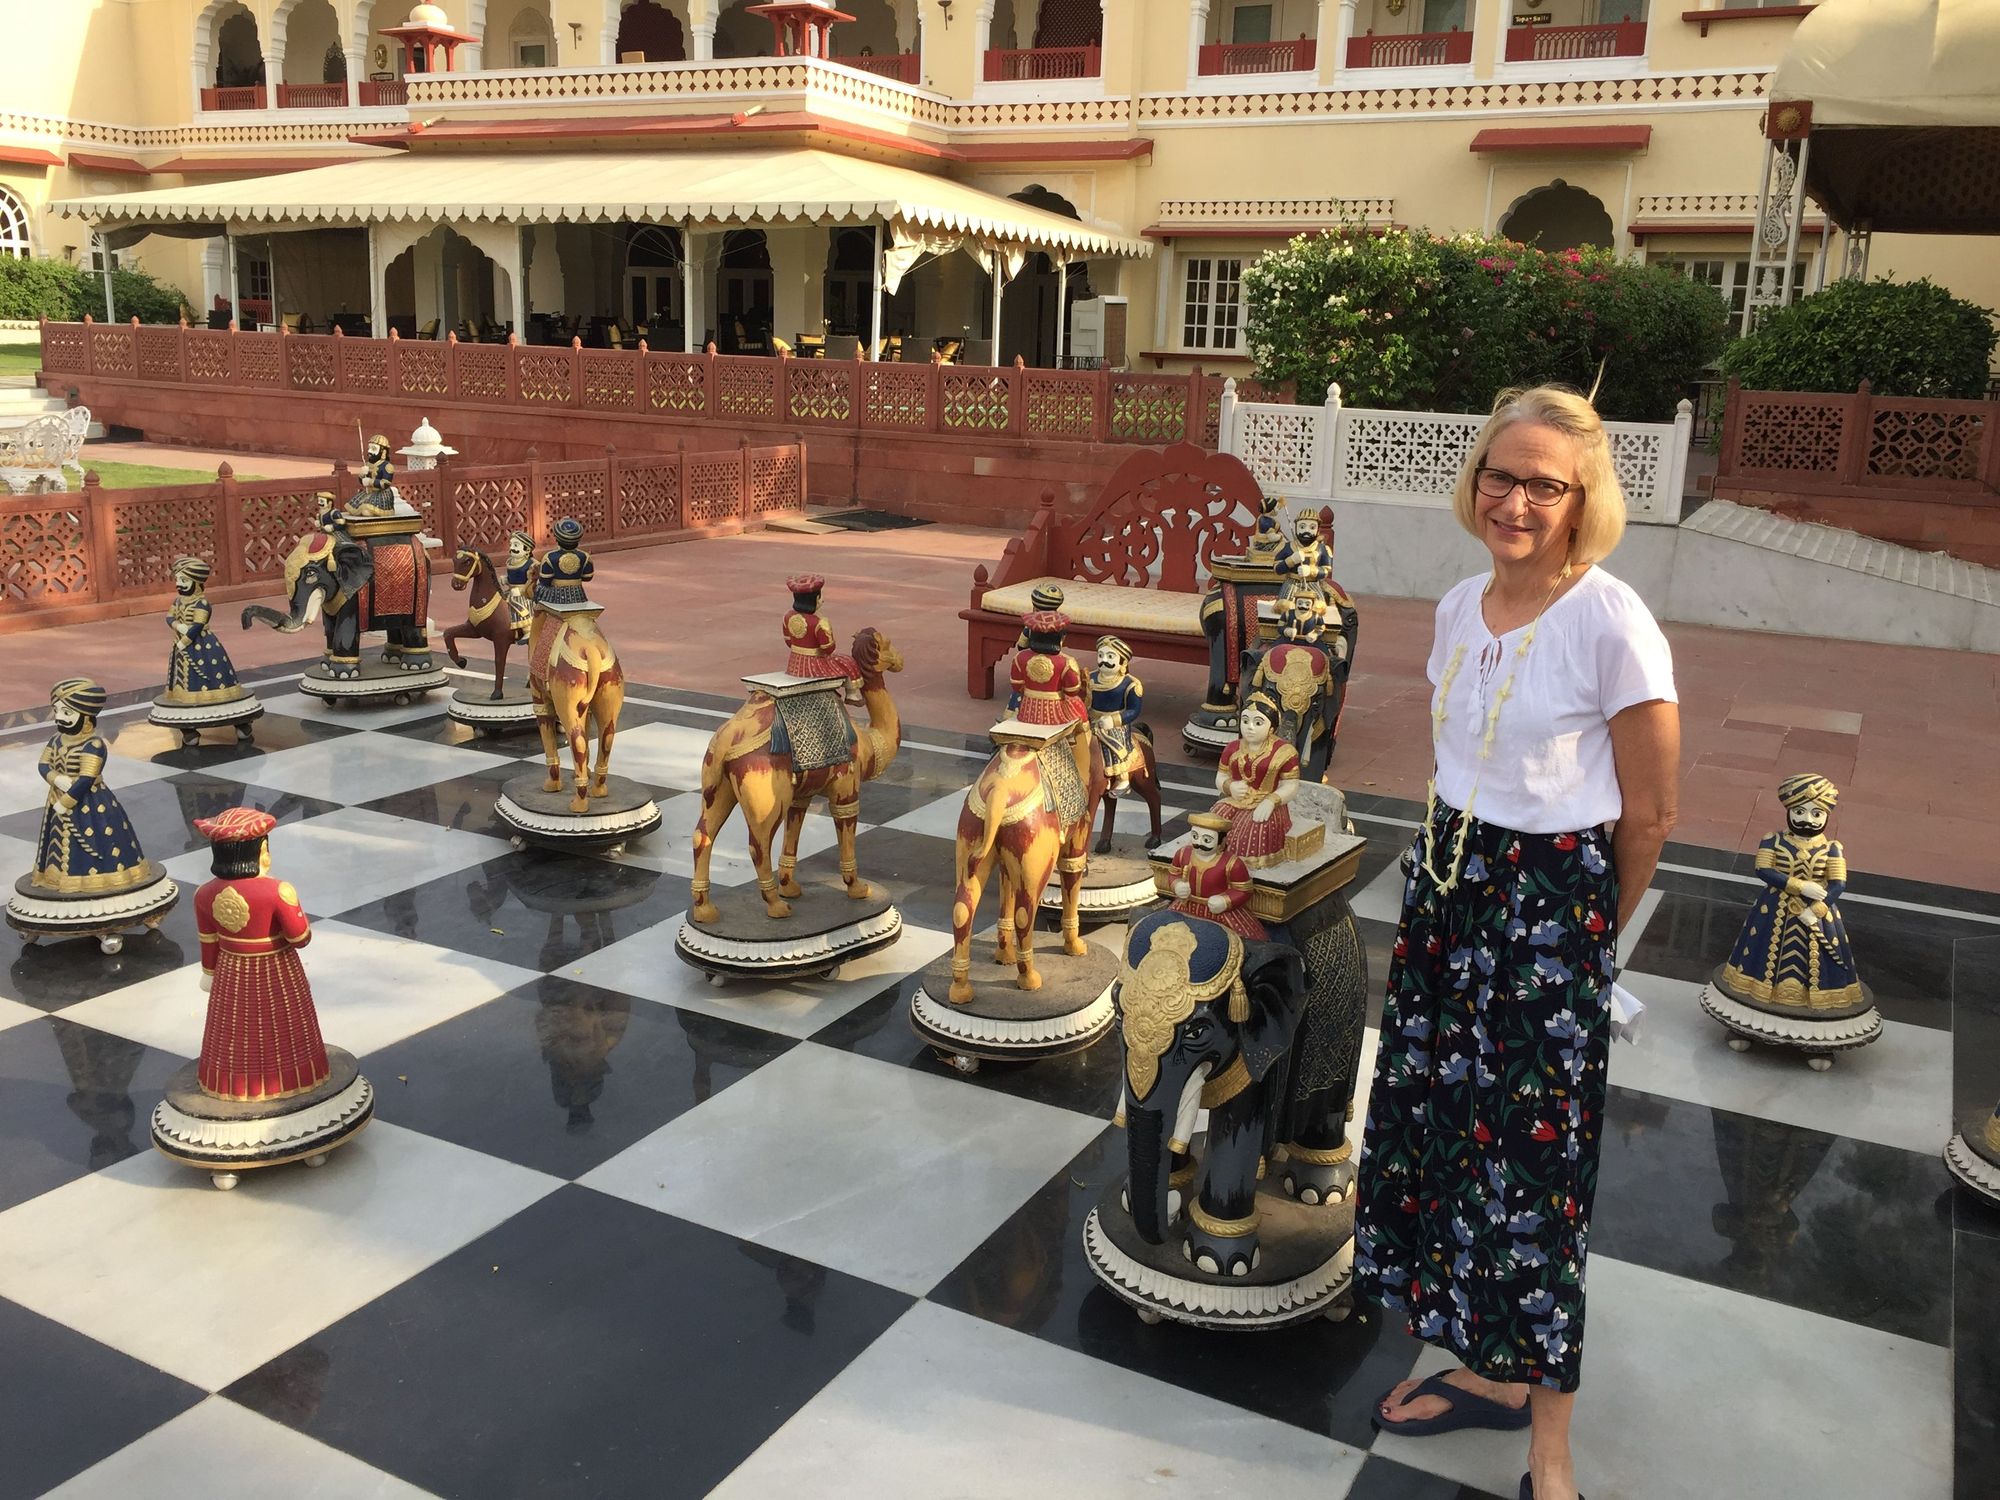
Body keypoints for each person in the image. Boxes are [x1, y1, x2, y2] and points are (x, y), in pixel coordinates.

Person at [1356, 386, 1680, 1500]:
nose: (1517, 501)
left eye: (1546, 484)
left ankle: (1550, 1449)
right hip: (1449, 896)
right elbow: (1462, 761)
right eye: (1501, 475)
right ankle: (1489, 1370)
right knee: (1446, 1142)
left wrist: (1582, 945)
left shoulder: (1610, 621)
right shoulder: (1458, 606)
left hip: (1547, 914)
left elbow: (1650, 814)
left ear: (1582, 500)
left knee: (1534, 1176)